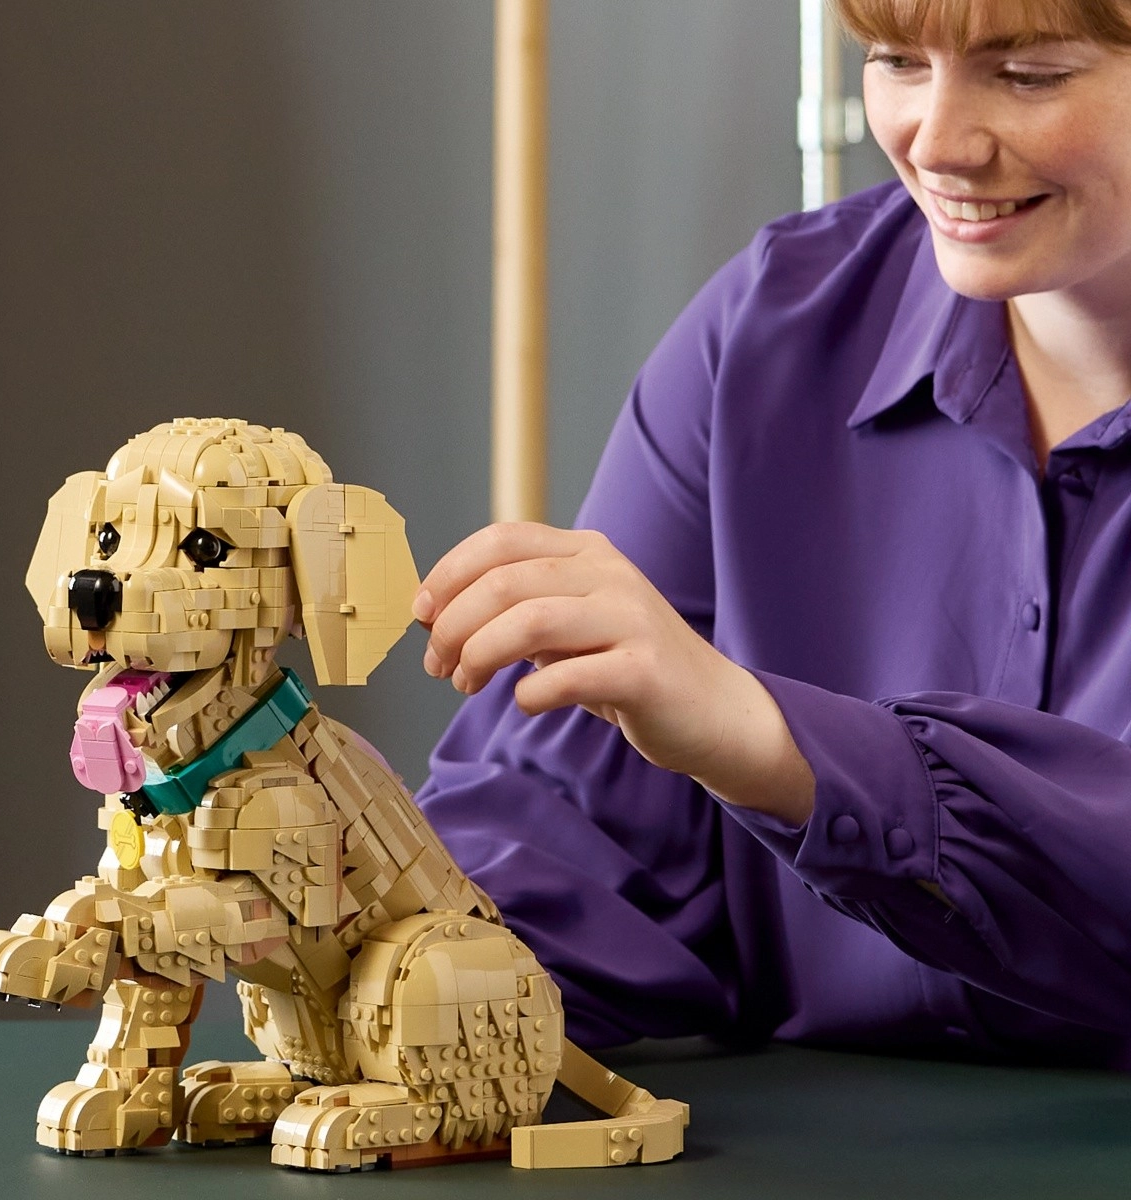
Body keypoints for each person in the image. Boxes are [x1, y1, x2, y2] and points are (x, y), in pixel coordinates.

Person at [412, 0, 1131, 1066]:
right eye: (895, 60)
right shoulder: (767, 330)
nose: (936, 142)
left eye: (1027, 76)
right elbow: (569, 841)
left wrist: (774, 746)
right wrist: (397, 947)